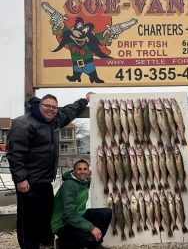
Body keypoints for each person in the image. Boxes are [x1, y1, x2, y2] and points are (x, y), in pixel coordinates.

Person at [6, 92, 93, 249]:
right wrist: (20, 178)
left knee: (45, 217)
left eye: (54, 107)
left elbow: (69, 110)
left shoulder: (55, 120)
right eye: (47, 106)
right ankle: (29, 246)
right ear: (39, 106)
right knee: (28, 221)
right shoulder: (24, 123)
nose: (51, 109)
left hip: (45, 180)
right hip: (29, 181)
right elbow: (14, 153)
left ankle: (45, 244)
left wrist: (85, 100)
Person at [51, 159, 112, 249]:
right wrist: (91, 228)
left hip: (78, 216)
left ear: (88, 171)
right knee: (90, 239)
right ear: (74, 171)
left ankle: (94, 244)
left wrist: (88, 177)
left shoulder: (83, 182)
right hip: (62, 224)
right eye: (79, 169)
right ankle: (63, 243)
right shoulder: (69, 185)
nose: (82, 172)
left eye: (85, 169)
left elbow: (86, 178)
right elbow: (69, 215)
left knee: (106, 213)